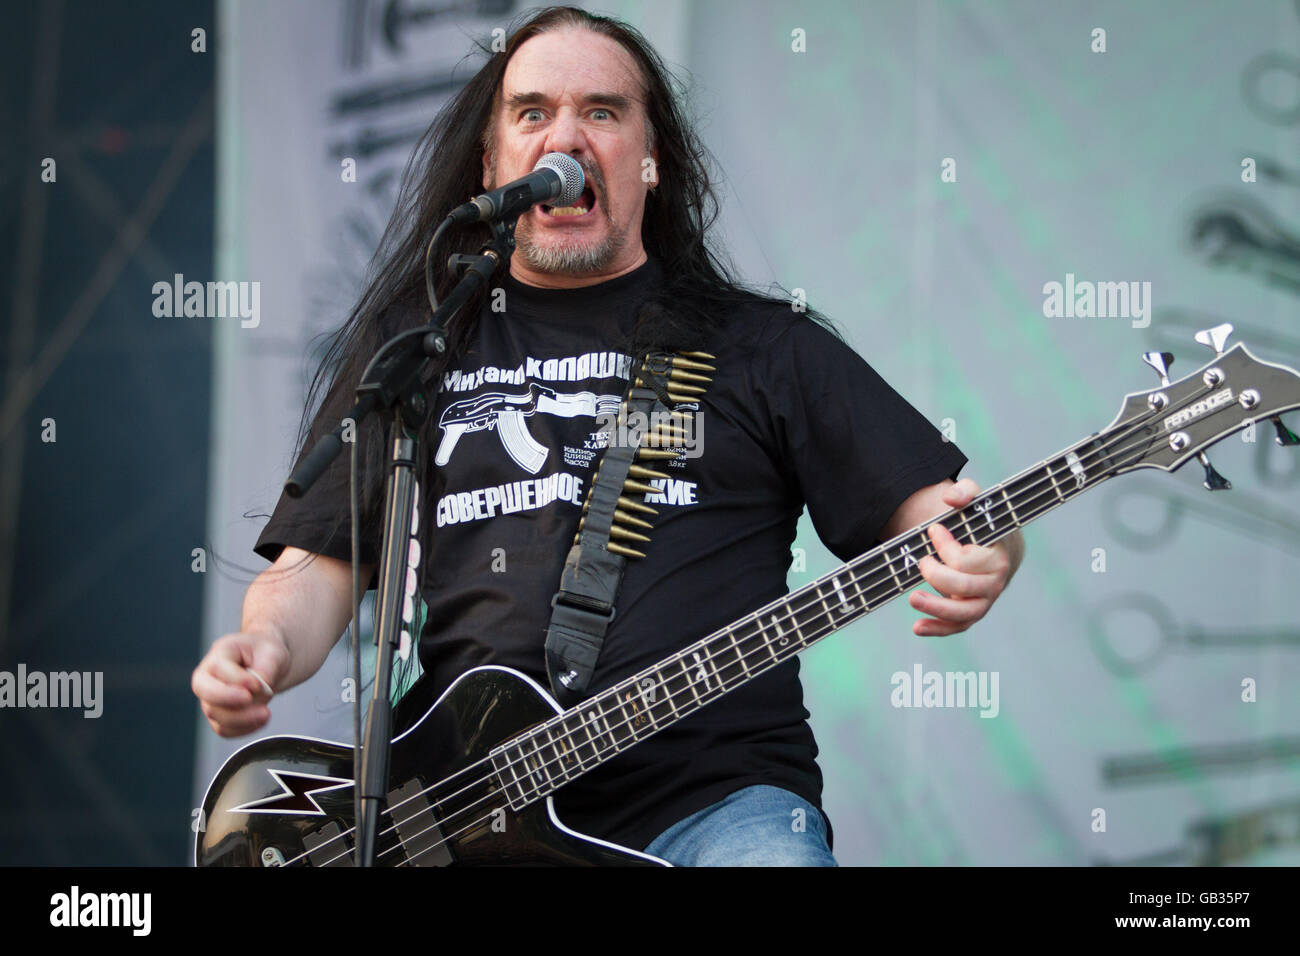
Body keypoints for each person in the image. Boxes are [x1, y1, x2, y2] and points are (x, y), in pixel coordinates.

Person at [191, 5, 1023, 866]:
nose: (566, 137)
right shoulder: (422, 348)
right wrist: (263, 649)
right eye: (532, 112)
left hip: (716, 806)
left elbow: (949, 514)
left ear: (652, 159)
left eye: (602, 111)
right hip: (469, 819)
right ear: (493, 162)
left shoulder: (762, 346)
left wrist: (988, 550)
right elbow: (313, 572)